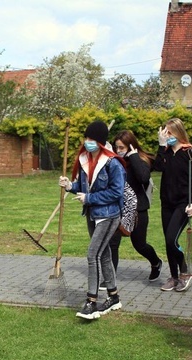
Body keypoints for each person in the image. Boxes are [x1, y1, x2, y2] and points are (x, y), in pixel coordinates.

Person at [58, 120, 125, 320]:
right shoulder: (85, 159)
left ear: (101, 142)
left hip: (108, 214)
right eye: (86, 138)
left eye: (92, 139)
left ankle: (91, 302)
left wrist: (90, 198)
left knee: (92, 255)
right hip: (92, 214)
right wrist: (70, 186)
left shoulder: (113, 163)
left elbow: (116, 192)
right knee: (103, 255)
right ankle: (113, 297)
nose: (88, 142)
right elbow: (83, 184)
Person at [103, 131, 162, 285]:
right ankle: (111, 278)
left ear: (130, 146)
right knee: (113, 243)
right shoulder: (115, 161)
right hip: (117, 208)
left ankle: (156, 262)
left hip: (137, 209)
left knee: (140, 244)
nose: (118, 150)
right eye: (116, 147)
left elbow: (143, 178)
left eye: (121, 147)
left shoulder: (141, 160)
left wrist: (134, 156)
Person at [153, 118, 192, 293]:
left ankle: (185, 271)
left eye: (170, 133)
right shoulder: (166, 153)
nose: (167, 136)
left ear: (178, 133)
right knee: (168, 241)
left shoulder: (190, 153)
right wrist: (161, 145)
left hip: (183, 202)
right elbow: (157, 166)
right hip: (167, 201)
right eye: (165, 133)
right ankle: (174, 276)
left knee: (171, 239)